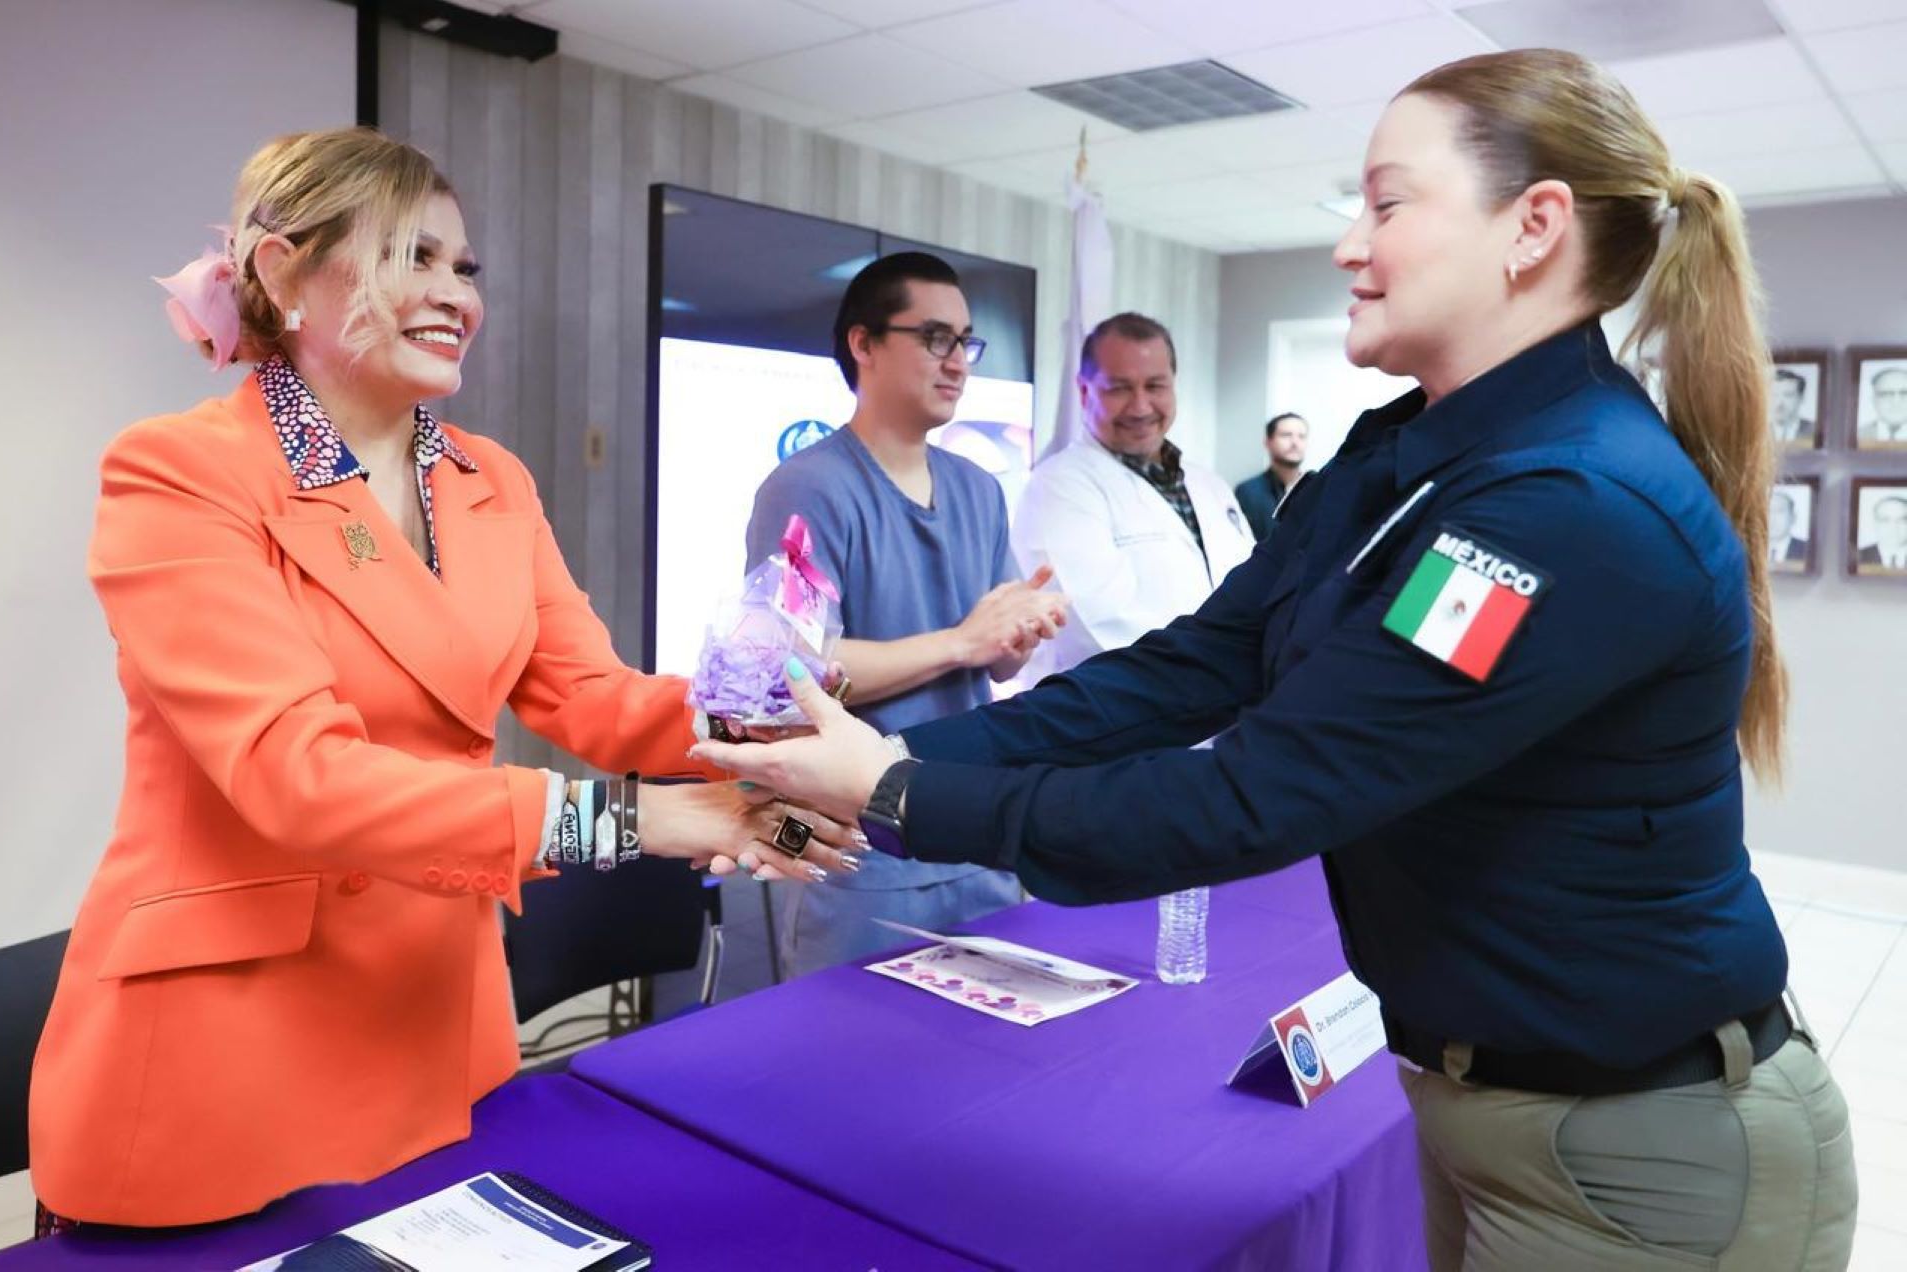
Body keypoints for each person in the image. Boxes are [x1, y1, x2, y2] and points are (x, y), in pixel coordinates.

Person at [699, 49, 1858, 1271]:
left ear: (1535, 227)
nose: (1352, 244)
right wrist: (891, 757)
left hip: (1634, 1147)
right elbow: (1203, 660)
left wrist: (888, 791)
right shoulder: (1410, 454)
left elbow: (1260, 790)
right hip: (1488, 1109)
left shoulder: (1563, 504)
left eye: (1388, 204)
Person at [29, 128, 848, 1232]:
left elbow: (590, 698)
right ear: (280, 272)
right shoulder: (181, 471)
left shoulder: (489, 481)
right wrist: (638, 822)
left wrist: (760, 718)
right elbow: (298, 778)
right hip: (223, 1046)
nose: (452, 293)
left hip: (433, 1021)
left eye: (462, 268)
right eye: (409, 257)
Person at [742, 251, 1065, 976]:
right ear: (864, 344)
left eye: (966, 342)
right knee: (857, 1068)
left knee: (982, 1067)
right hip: (858, 850)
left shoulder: (978, 488)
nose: (957, 362)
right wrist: (960, 642)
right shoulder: (808, 487)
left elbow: (998, 659)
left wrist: (1021, 629)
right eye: (934, 338)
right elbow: (790, 671)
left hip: (971, 829)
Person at [1009, 313, 1253, 678]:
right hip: (1120, 717)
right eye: (1118, 388)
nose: (1140, 407)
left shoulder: (1208, 484)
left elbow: (1252, 585)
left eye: (1155, 386)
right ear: (1084, 390)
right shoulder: (1058, 486)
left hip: (1222, 709)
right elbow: (1097, 628)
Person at [1234, 411, 1311, 539]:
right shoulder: (1247, 492)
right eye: (1286, 435)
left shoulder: (1318, 489)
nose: (1295, 442)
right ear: (1268, 442)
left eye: (1301, 436)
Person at [1858, 364, 1907, 446]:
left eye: (1904, 393)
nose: (1896, 401)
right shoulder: (1859, 434)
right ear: (1873, 400)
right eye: (1886, 394)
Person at [1857, 495, 1907, 570]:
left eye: (1902, 520)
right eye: (1885, 520)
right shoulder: (1858, 556)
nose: (1893, 527)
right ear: (1875, 523)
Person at [1768, 368, 1813, 446]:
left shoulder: (1813, 430)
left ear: (1801, 398)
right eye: (1774, 395)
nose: (1779, 403)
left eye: (1788, 395)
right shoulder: (1758, 431)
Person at [1768, 489, 1807, 567]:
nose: (1772, 518)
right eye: (1768, 511)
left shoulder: (1807, 550)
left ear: (1793, 517)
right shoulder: (1744, 549)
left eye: (1779, 511)